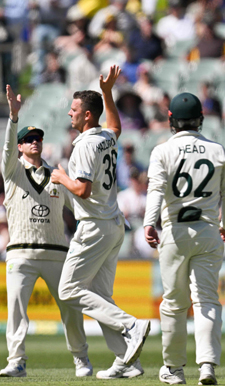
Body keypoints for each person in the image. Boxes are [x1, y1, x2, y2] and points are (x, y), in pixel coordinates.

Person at [50, 65, 150, 379]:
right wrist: (107, 93)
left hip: (93, 226)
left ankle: (131, 325)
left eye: (75, 109)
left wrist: (61, 177)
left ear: (88, 116)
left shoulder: (82, 146)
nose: (70, 113)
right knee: (102, 296)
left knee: (68, 290)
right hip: (113, 224)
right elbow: (116, 126)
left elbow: (82, 189)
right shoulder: (105, 137)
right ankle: (126, 361)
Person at [143, 92, 225, 385]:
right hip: (209, 231)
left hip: (174, 232)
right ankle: (207, 366)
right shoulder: (218, 151)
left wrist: (148, 223)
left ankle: (174, 369)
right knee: (207, 300)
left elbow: (156, 190)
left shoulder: (162, 151)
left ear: (170, 120)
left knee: (173, 304)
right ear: (201, 119)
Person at [0, 85, 89, 378]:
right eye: (28, 139)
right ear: (21, 146)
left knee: (71, 310)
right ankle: (16, 361)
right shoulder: (11, 171)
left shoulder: (56, 175)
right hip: (21, 253)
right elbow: (8, 150)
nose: (34, 142)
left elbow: (78, 210)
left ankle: (81, 359)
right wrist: (14, 118)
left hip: (56, 254)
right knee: (16, 311)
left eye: (37, 138)